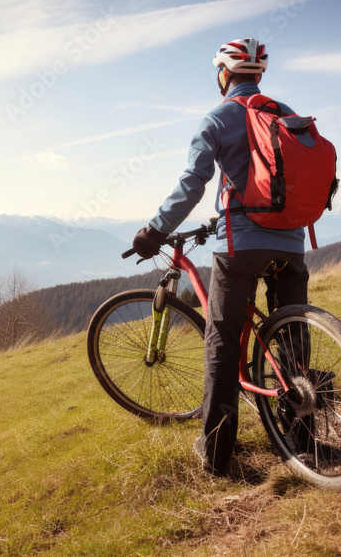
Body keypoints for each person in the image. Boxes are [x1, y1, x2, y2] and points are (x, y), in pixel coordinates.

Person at [130, 37, 309, 476]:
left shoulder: (217, 117)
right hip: (292, 241)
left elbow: (193, 185)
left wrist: (154, 230)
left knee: (222, 345)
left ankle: (216, 456)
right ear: (259, 75)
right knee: (293, 337)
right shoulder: (287, 113)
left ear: (224, 74)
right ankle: (303, 435)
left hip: (241, 246)